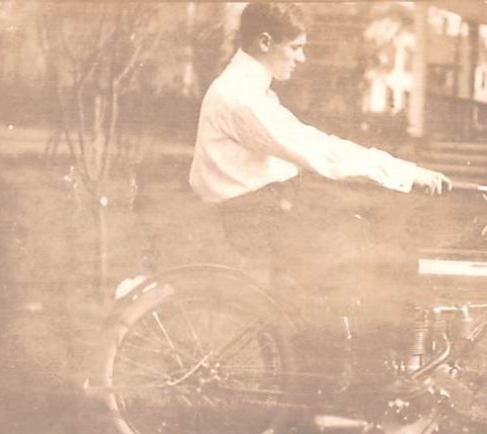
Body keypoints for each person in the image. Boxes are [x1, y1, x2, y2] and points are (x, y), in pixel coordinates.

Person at [189, 3, 450, 322]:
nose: (301, 58)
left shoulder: (244, 88)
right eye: (295, 47)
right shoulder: (241, 97)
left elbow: (312, 147)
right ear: (265, 42)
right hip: (256, 218)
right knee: (375, 259)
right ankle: (350, 346)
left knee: (367, 238)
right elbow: (319, 151)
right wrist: (407, 173)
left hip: (267, 207)